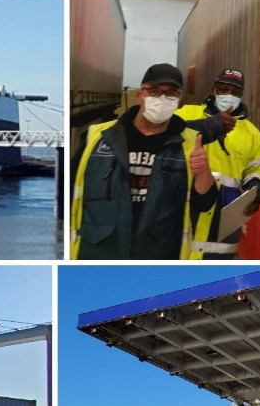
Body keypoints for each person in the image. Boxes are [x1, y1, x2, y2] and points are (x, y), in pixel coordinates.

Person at [71, 63, 219, 259]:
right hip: (99, 256)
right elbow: (68, 192)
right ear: (141, 94)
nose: (162, 99)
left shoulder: (190, 144)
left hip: (159, 256)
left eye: (171, 94)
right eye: (155, 91)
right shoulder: (98, 138)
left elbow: (204, 204)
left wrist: (204, 173)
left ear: (179, 99)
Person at [174, 68, 260, 259]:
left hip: (227, 212)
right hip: (189, 204)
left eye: (235, 92)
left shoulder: (251, 133)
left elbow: (256, 168)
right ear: (213, 90)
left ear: (241, 95)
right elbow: (168, 130)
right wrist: (208, 126)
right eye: (223, 89)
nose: (228, 96)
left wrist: (256, 188)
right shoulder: (189, 113)